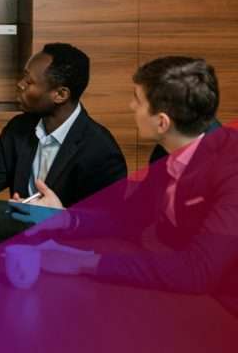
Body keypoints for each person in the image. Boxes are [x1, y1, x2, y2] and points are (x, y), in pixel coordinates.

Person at [20, 57, 238, 309]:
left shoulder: (230, 169)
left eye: (138, 99)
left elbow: (198, 271)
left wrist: (82, 262)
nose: (131, 105)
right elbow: (130, 219)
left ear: (162, 122)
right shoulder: (166, 151)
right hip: (189, 295)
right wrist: (64, 218)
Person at [0, 43, 127, 214]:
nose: (20, 84)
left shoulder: (101, 150)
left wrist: (59, 218)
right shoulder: (19, 127)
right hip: (20, 234)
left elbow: (107, 222)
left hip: (67, 240)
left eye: (29, 81)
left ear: (60, 95)